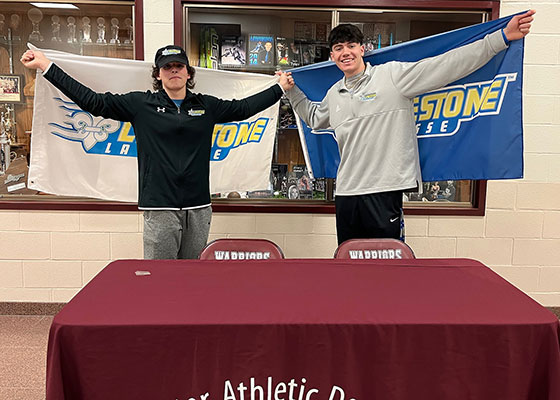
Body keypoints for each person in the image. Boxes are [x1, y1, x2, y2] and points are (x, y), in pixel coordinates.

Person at [284, 11, 535, 245]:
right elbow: (315, 118)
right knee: (348, 262)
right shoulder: (334, 93)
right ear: (332, 56)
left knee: (389, 267)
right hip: (347, 193)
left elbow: (446, 65)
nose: (345, 52)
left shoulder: (392, 76)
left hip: (384, 191)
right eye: (338, 48)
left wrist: (500, 38)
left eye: (351, 46)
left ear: (362, 49)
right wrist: (292, 91)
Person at [21, 45, 294, 259]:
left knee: (192, 276)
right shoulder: (141, 104)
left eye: (179, 66)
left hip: (198, 207)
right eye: (167, 67)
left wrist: (279, 88)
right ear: (158, 74)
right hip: (159, 206)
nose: (173, 71)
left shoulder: (207, 106)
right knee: (159, 277)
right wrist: (47, 66)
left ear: (188, 72)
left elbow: (243, 108)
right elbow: (92, 101)